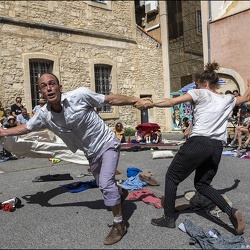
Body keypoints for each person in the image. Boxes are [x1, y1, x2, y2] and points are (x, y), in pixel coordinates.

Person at [0, 72, 145, 245]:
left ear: (59, 87)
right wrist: (3, 132)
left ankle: (119, 224)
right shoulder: (44, 114)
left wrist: (135, 100)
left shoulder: (80, 95)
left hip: (107, 142)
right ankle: (121, 193)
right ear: (41, 93)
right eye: (44, 86)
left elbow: (110, 100)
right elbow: (26, 128)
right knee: (102, 184)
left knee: (106, 183)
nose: (49, 88)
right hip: (90, 152)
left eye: (52, 84)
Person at [135, 62, 249, 235]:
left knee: (172, 176)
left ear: (204, 83)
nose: (194, 87)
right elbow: (246, 97)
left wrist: (150, 103)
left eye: (196, 84)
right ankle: (230, 212)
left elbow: (171, 101)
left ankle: (168, 219)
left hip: (199, 142)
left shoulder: (200, 92)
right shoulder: (226, 99)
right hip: (217, 146)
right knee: (202, 184)